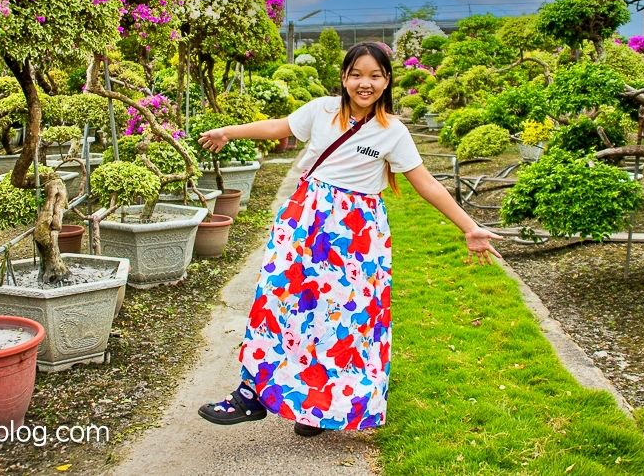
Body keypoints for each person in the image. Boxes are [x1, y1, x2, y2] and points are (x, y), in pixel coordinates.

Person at [196, 41, 502, 437]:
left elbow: (426, 183)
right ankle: (250, 395)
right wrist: (228, 131)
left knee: (341, 320)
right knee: (278, 302)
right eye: (357, 74)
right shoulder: (322, 110)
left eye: (375, 75)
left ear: (387, 80)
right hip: (305, 218)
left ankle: (320, 405)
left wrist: (469, 226)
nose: (365, 83)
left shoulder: (393, 132)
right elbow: (279, 128)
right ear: (344, 77)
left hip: (355, 236)